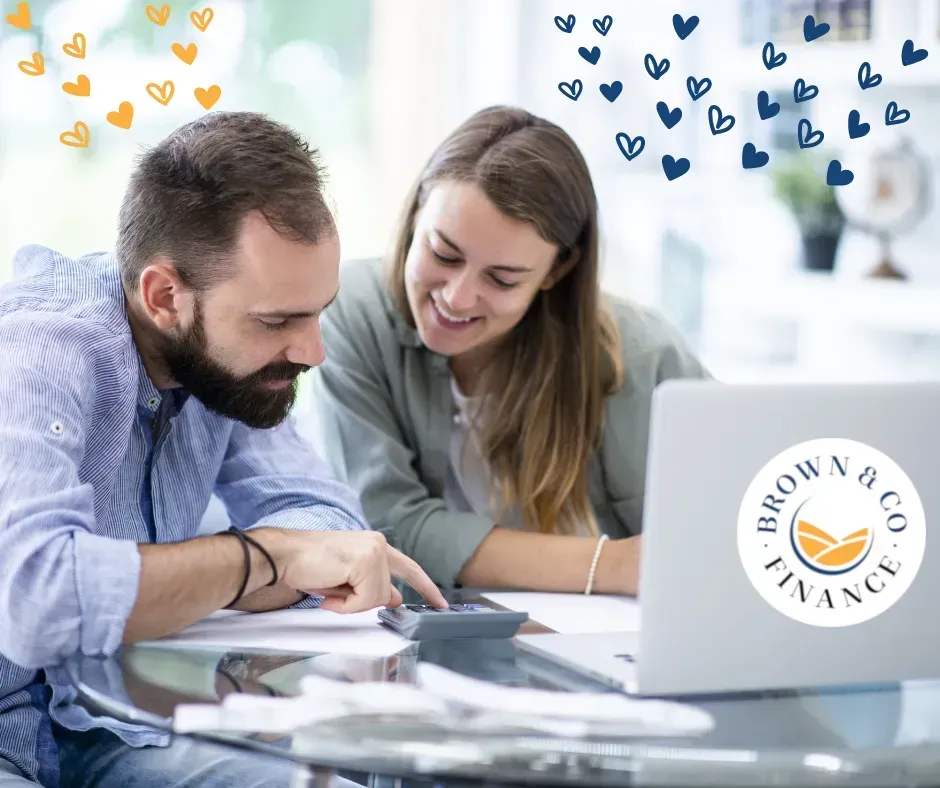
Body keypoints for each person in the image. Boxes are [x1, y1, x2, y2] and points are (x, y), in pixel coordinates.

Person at [0, 111, 447, 788]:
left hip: (110, 726)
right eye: (278, 321)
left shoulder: (227, 366)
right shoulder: (41, 352)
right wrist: (264, 560)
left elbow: (329, 530)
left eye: (317, 311)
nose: (312, 351)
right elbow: (37, 603)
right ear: (163, 296)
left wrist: (200, 578)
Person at [311, 105, 710, 597]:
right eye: (443, 253)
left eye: (501, 279)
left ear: (557, 271)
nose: (456, 298)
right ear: (416, 214)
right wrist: (615, 566)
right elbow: (385, 529)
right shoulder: (350, 310)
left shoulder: (645, 357)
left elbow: (717, 534)